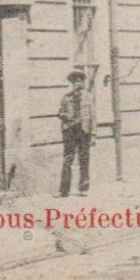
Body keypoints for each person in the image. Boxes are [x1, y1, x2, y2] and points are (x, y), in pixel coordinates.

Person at [57, 68, 93, 197]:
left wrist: (93, 134)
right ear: (72, 83)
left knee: (84, 159)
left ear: (83, 83)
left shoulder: (88, 97)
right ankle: (64, 189)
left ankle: (83, 187)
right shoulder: (66, 98)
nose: (78, 84)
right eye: (75, 81)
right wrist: (65, 115)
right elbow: (59, 112)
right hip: (70, 131)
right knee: (68, 159)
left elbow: (93, 116)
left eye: (80, 81)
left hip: (84, 131)